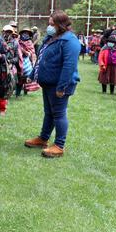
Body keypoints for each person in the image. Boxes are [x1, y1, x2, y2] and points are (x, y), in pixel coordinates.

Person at [24, 10, 80, 158]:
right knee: (49, 112)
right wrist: (32, 75)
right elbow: (41, 58)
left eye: (52, 24)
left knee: (59, 114)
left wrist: (62, 87)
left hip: (60, 86)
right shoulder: (51, 38)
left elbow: (69, 66)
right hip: (48, 84)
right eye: (49, 24)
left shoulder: (70, 41)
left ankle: (59, 146)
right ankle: (43, 138)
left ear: (60, 25)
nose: (49, 27)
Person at [16, 28, 37, 97]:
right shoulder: (17, 42)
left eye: (27, 33)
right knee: (19, 78)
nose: (25, 35)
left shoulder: (30, 43)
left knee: (26, 78)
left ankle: (26, 91)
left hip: (27, 62)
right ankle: (17, 93)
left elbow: (31, 53)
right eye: (24, 33)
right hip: (18, 61)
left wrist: (24, 51)